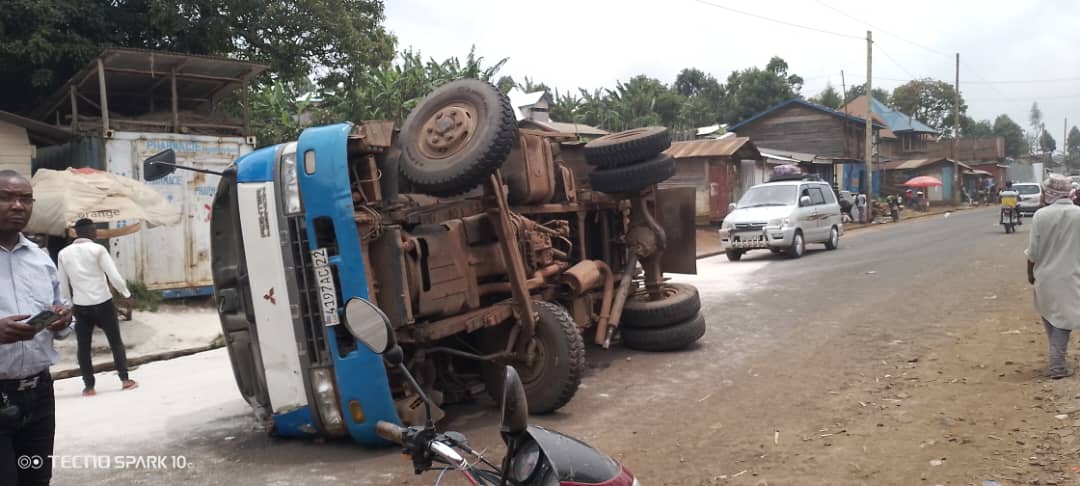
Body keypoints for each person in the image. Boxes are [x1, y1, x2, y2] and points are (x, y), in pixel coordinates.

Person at [0, 170, 72, 486]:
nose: (18, 206)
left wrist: (63, 320)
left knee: (37, 479)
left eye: (25, 199)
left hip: (39, 394)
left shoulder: (41, 259)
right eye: (6, 197)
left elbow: (60, 312)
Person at [57, 219, 137, 396]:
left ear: (77, 233)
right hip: (103, 303)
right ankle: (125, 380)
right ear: (91, 232)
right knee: (115, 342)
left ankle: (89, 387)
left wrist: (69, 305)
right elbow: (114, 276)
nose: (95, 233)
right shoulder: (98, 250)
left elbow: (63, 284)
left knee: (83, 347)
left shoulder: (63, 253)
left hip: (80, 306)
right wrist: (126, 294)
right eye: (94, 231)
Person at [1026, 174, 1080, 379]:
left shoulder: (1041, 216)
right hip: (1071, 276)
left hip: (1045, 276)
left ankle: (1057, 362)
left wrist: (1030, 274)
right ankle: (1057, 363)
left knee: (1053, 317)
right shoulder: (1078, 214)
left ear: (1049, 193)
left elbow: (1033, 251)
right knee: (1062, 319)